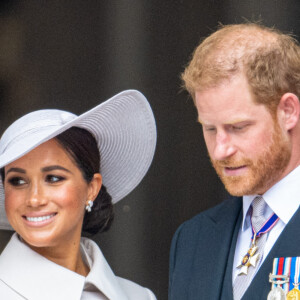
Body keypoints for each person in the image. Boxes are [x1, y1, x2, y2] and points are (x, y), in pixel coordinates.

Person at [169, 23, 300, 300]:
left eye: (238, 127)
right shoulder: (192, 240)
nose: (220, 151)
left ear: (288, 111)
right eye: (210, 129)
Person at [0, 90, 157, 300]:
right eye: (18, 181)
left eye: (53, 178)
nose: (34, 199)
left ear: (92, 187)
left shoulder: (139, 296)